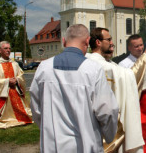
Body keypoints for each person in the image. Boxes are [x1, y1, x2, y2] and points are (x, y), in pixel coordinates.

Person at [30, 24, 119, 153]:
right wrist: (109, 135)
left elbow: (36, 108)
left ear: (63, 41)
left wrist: (45, 127)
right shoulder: (93, 69)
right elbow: (108, 110)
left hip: (52, 143)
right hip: (85, 143)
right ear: (88, 41)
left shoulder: (44, 67)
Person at [86, 27, 146, 153]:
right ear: (98, 42)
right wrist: (145, 56)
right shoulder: (103, 66)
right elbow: (131, 77)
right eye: (109, 39)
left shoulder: (95, 62)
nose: (112, 42)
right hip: (105, 120)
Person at [119, 34, 146, 153]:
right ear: (129, 48)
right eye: (136, 46)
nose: (140, 48)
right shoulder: (123, 64)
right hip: (134, 107)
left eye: (141, 45)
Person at [0, 41, 32, 129]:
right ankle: (3, 119)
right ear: (0, 50)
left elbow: (21, 76)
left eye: (9, 48)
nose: (8, 50)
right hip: (3, 95)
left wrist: (17, 80)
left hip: (15, 91)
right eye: (5, 48)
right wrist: (6, 82)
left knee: (24, 115)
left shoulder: (15, 64)